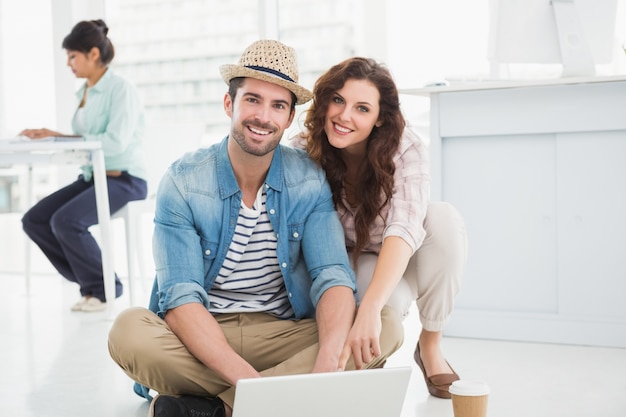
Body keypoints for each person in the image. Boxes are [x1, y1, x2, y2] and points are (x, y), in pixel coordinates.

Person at [107, 40, 403, 417]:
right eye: (253, 100)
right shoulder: (183, 181)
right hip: (203, 330)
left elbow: (332, 275)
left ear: (290, 117)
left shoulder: (308, 179)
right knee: (128, 332)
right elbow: (181, 301)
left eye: (278, 105)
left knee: (385, 325)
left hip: (281, 331)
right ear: (229, 104)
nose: (263, 116)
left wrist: (328, 361)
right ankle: (281, 400)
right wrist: (255, 389)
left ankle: (213, 409)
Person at [294, 57, 467, 399]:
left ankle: (431, 344)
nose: (344, 116)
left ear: (378, 119)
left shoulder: (406, 147)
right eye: (338, 100)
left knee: (444, 219)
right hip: (350, 259)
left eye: (362, 108)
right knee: (369, 308)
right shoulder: (303, 150)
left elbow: (404, 228)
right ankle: (372, 356)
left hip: (405, 251)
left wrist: (370, 309)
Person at [20, 19, 148, 312]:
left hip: (125, 179)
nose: (68, 63)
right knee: (34, 220)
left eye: (72, 56)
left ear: (92, 54)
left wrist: (64, 138)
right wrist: (55, 137)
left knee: (66, 221)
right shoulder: (84, 93)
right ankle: (90, 281)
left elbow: (115, 143)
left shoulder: (120, 89)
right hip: (94, 176)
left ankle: (103, 289)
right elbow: (88, 139)